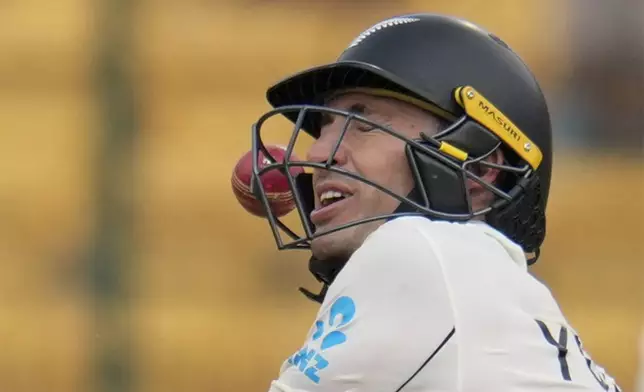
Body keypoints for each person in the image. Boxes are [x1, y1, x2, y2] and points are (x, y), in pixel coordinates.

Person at [248, 13, 622, 392]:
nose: (316, 153)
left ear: (480, 167)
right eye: (325, 126)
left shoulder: (421, 253)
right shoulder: (484, 285)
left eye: (362, 123)